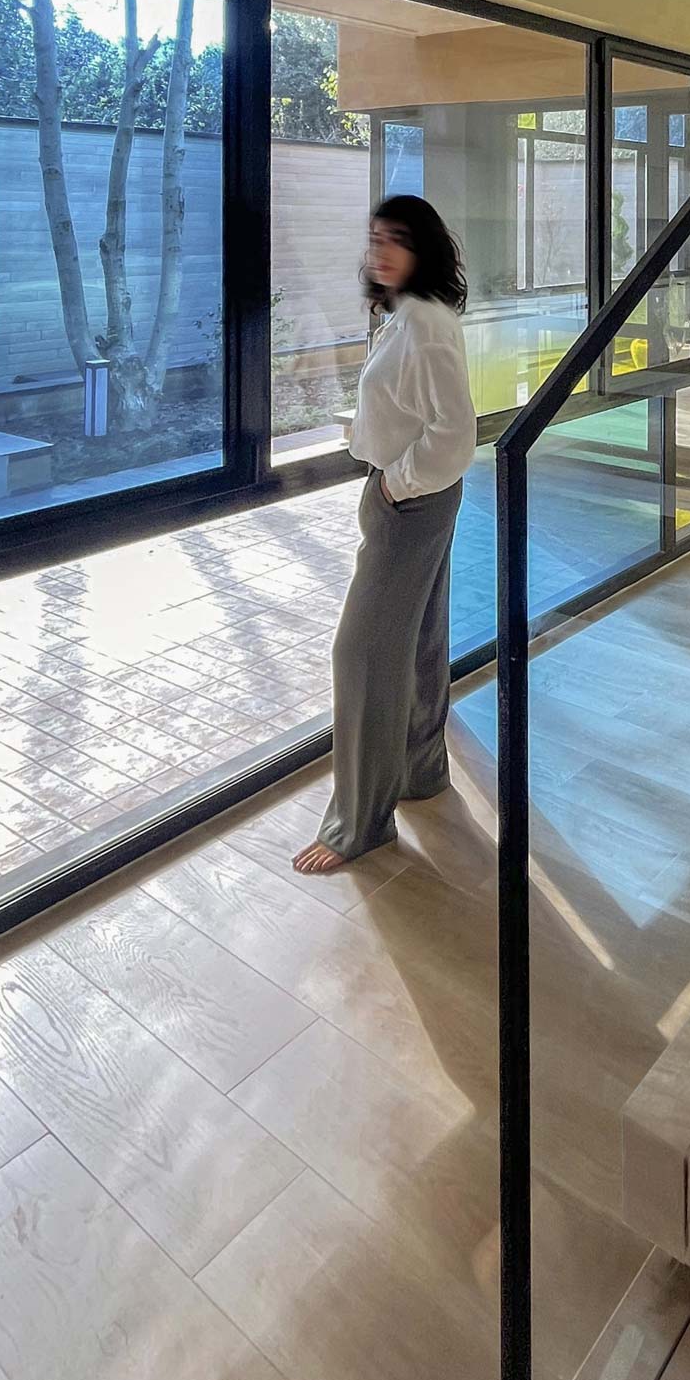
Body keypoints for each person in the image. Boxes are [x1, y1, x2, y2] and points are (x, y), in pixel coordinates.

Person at [294, 195, 476, 874]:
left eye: (396, 239)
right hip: (411, 497)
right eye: (374, 238)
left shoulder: (422, 323)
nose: (380, 251)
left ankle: (359, 823)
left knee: (362, 654)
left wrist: (395, 483)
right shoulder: (410, 316)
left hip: (411, 500)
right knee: (418, 639)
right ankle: (417, 770)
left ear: (423, 249)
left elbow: (455, 430)